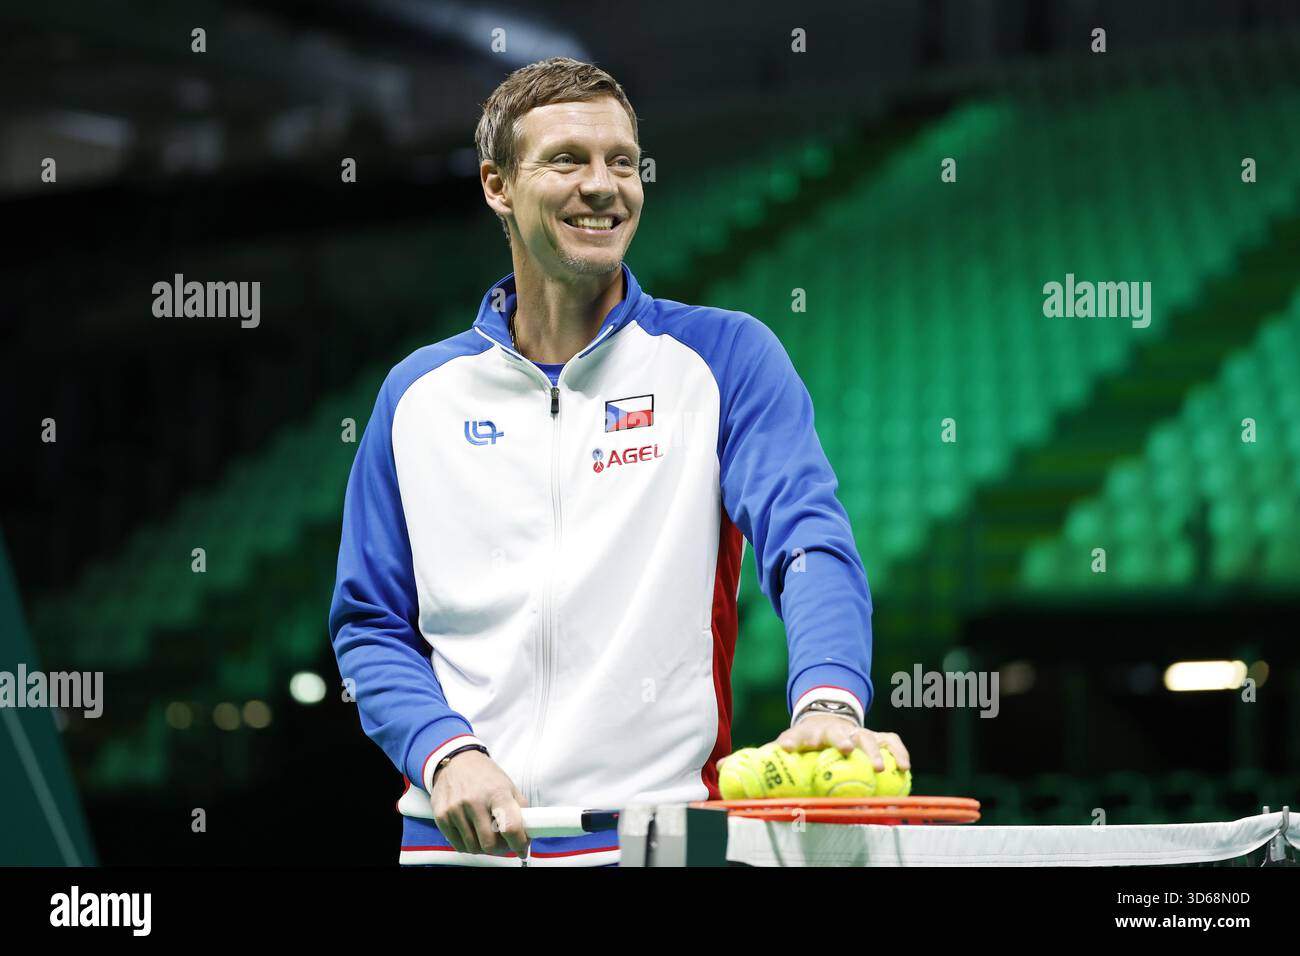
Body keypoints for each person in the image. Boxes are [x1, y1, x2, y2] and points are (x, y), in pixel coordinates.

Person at [328, 56, 909, 867]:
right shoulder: (416, 394)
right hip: (457, 845)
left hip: (659, 842)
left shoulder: (724, 358)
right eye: (567, 160)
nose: (603, 186)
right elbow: (370, 622)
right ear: (498, 185)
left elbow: (807, 540)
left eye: (623, 163)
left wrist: (828, 703)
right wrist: (444, 753)